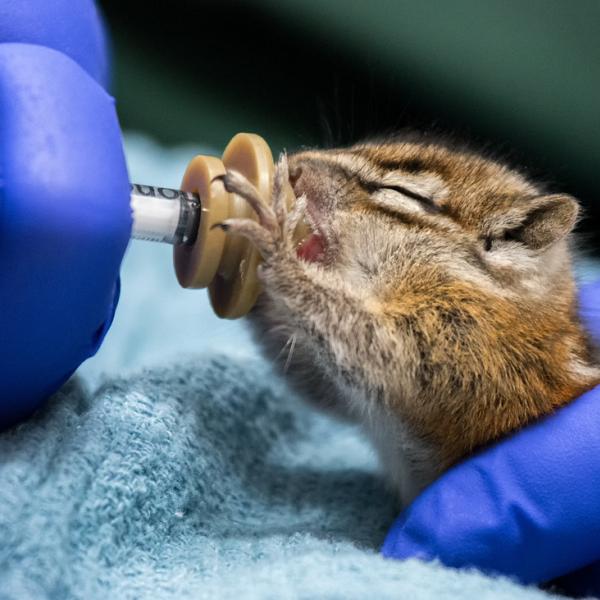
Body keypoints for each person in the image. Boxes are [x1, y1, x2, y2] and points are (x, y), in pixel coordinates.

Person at [1, 1, 599, 594]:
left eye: (389, 191)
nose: (307, 168)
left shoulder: (490, 330)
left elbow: (389, 361)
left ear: (509, 242)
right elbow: (327, 378)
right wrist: (265, 289)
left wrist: (285, 271)